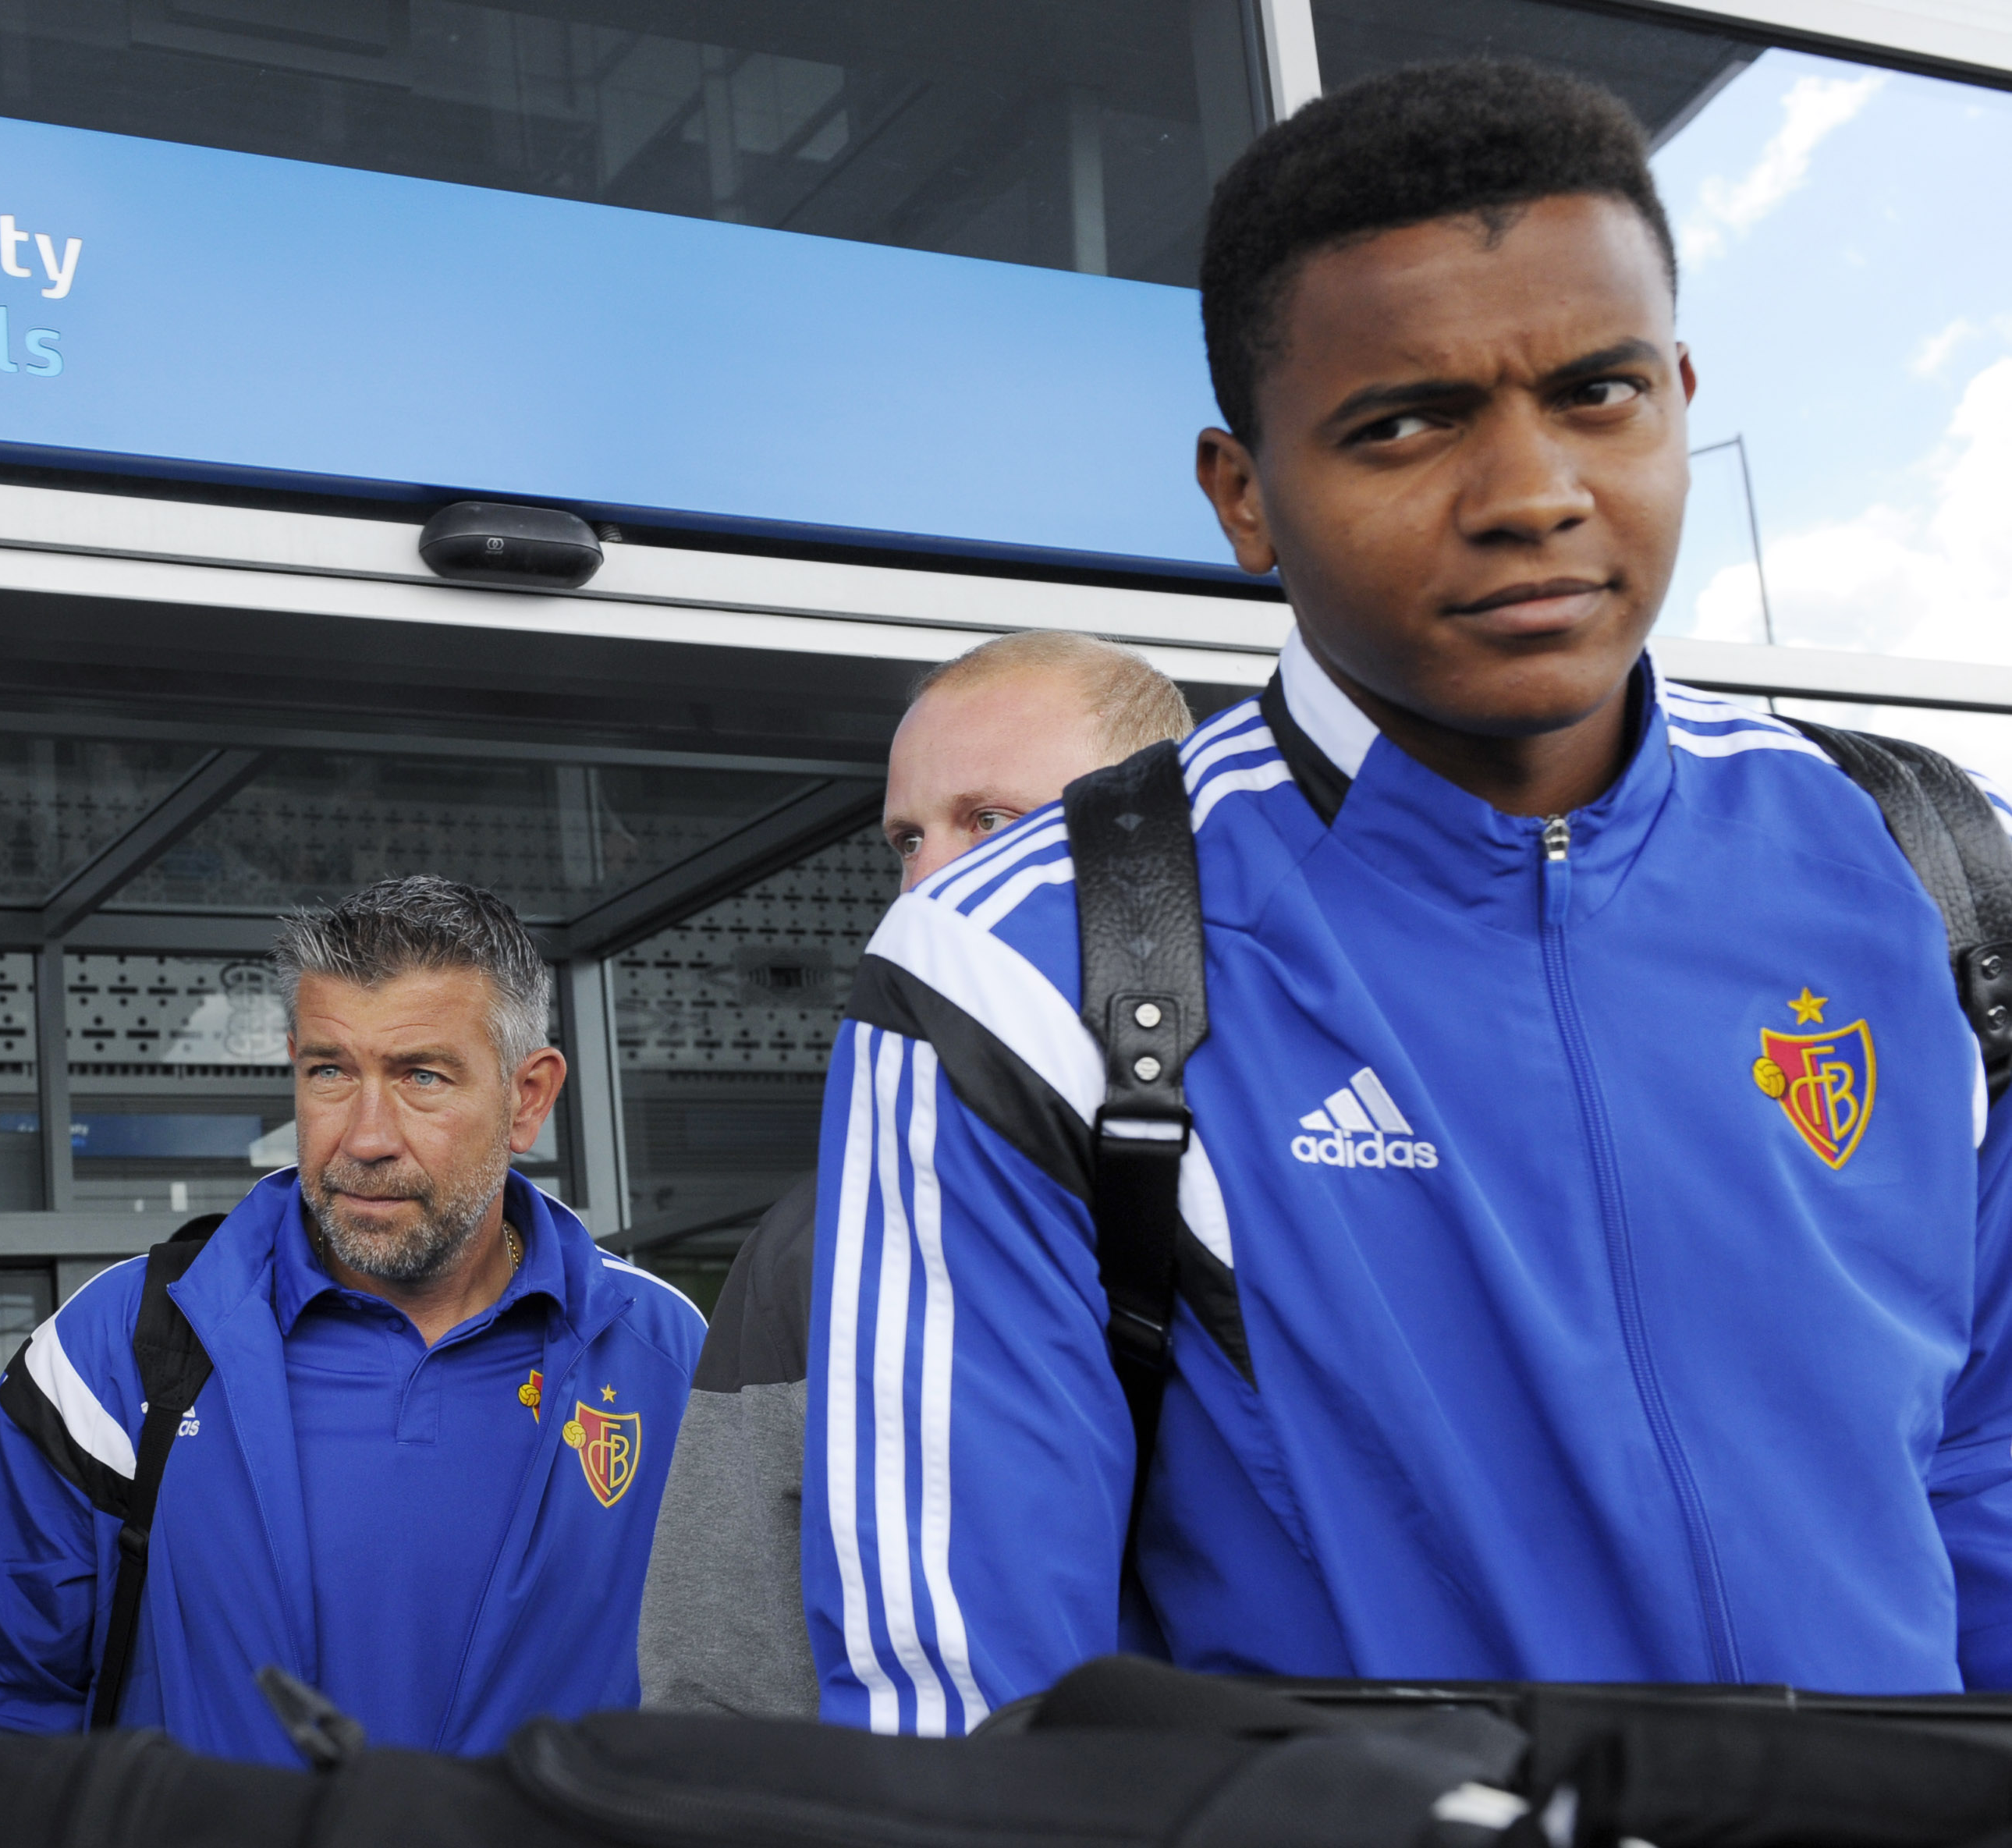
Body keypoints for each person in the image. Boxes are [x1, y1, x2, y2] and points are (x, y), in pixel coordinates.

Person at [807, 57, 2012, 1731]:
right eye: (1404, 421)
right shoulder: (1017, 967)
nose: (1528, 492)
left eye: (1595, 393)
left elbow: (1987, 1469)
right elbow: (961, 1723)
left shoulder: (1930, 866)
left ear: (1674, 391)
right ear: (1243, 496)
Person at [0, 875, 707, 1761]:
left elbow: (740, 1705)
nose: (364, 1136)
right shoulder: (117, 1351)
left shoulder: (668, 1358)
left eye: (421, 1076)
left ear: (528, 1098)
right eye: (329, 1070)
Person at [637, 630, 1191, 1718]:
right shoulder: (820, 1241)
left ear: (1159, 852)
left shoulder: (1332, 1167)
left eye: (991, 823)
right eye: (906, 838)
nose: (929, 881)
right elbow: (723, 1686)